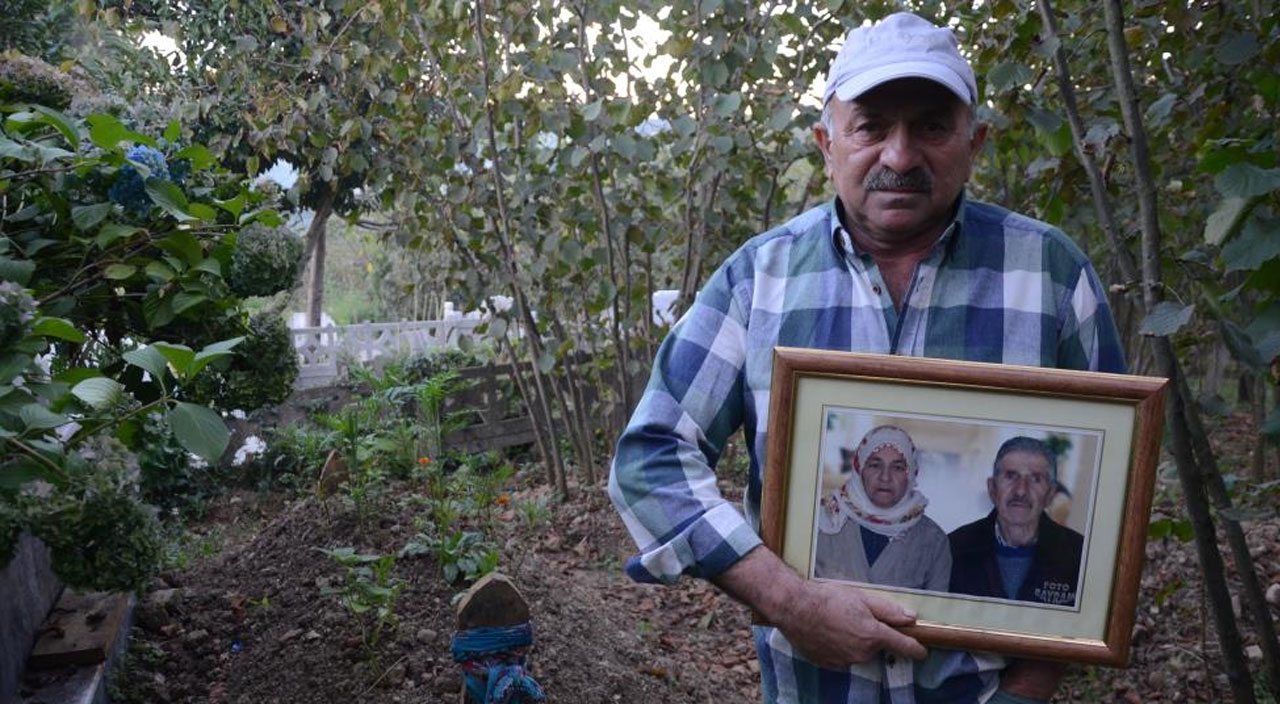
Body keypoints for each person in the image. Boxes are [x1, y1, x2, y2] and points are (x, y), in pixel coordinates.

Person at [608, 10, 1125, 704]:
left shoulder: (1051, 276)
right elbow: (650, 458)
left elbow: (1111, 503)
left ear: (975, 143)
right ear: (827, 143)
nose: (901, 156)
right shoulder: (758, 281)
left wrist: (1030, 688)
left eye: (932, 126)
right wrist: (787, 599)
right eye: (872, 125)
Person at [949, 437, 1084, 607]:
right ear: (992, 488)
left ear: (1050, 494)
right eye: (1011, 476)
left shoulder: (1080, 556)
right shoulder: (951, 548)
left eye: (1036, 479)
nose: (1021, 490)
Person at [815, 426, 950, 591]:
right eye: (875, 465)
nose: (885, 477)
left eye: (898, 467)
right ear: (860, 470)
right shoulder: (824, 520)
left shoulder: (933, 541)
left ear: (911, 474)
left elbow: (934, 612)